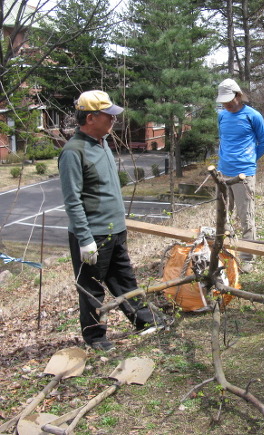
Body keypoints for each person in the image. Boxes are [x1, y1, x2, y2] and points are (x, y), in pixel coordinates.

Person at [59, 90, 165, 352]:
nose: (114, 120)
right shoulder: (74, 152)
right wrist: (84, 239)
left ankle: (144, 321)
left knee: (125, 279)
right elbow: (72, 200)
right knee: (91, 288)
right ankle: (95, 337)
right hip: (92, 235)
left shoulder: (102, 143)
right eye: (109, 116)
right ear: (92, 118)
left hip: (115, 229)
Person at [216, 78, 264, 273]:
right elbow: (223, 140)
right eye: (223, 102)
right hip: (222, 173)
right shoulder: (221, 116)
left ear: (238, 96)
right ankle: (225, 252)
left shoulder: (253, 116)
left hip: (243, 174)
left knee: (245, 216)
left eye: (230, 100)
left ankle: (249, 258)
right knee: (223, 215)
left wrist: (248, 161)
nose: (227, 104)